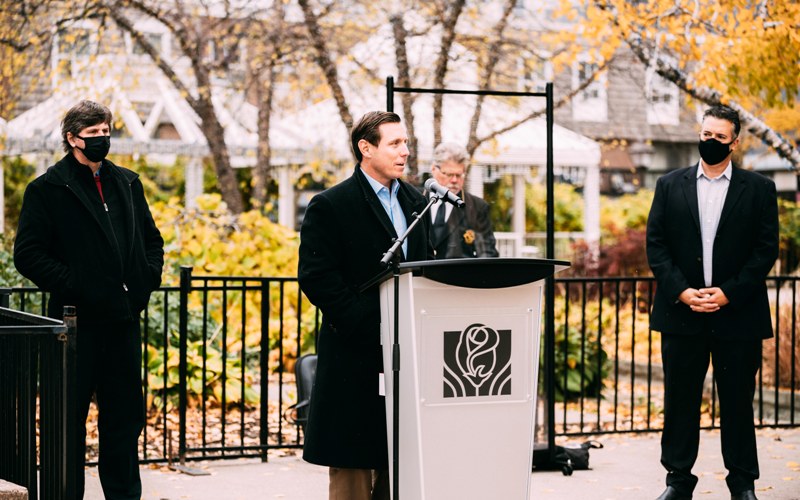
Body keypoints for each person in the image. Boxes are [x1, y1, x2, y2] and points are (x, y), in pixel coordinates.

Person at [14, 100, 164, 500]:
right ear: (72, 138)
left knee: (124, 419)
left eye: (106, 131)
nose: (102, 139)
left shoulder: (128, 183)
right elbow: (28, 254)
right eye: (93, 133)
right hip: (73, 327)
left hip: (122, 323)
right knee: (68, 422)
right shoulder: (47, 189)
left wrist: (146, 281)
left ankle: (124, 495)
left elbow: (152, 241)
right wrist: (75, 285)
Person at [646, 105, 778, 500]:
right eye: (706, 134)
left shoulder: (759, 189)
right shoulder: (670, 184)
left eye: (720, 137)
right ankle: (678, 482)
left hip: (737, 316)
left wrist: (729, 293)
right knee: (680, 402)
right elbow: (657, 245)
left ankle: (742, 484)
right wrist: (682, 291)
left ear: (735, 143)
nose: (711, 142)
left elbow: (764, 250)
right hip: (681, 314)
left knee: (738, 403)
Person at [298, 111, 432, 500]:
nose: (405, 151)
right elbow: (317, 277)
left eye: (405, 143)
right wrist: (368, 323)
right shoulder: (331, 205)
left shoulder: (415, 201)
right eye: (395, 143)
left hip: (406, 358)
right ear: (365, 148)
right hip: (354, 357)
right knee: (353, 475)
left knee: (401, 469)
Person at [426, 142, 498, 259]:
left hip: (458, 276)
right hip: (418, 276)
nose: (454, 180)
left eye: (459, 175)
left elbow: (487, 254)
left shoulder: (477, 207)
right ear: (434, 169)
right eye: (448, 174)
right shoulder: (414, 201)